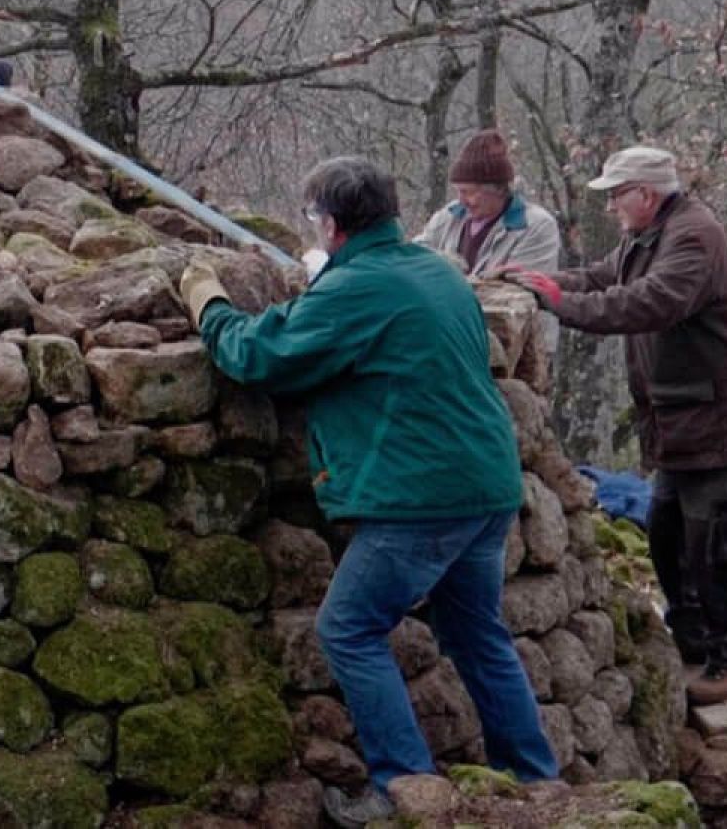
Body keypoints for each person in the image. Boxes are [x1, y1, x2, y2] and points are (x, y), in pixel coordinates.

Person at [180, 156, 556, 827]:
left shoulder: (355, 290)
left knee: (347, 628)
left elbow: (258, 358)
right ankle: (533, 778)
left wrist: (208, 303)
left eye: (313, 217)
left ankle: (403, 789)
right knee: (476, 635)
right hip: (487, 483)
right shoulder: (435, 269)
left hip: (420, 496)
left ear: (330, 223)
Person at [502, 145, 727, 707]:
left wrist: (559, 303)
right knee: (669, 535)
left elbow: (647, 303)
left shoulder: (693, 237)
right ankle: (695, 644)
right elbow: (608, 275)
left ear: (646, 195)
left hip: (723, 420)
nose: (610, 208)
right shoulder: (653, 233)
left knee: (720, 545)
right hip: (686, 421)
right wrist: (546, 282)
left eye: (616, 195)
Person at [416, 128, 563, 354]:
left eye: (469, 192)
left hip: (520, 350)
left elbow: (516, 293)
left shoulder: (535, 226)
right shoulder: (448, 217)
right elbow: (414, 261)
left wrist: (443, 275)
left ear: (498, 190)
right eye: (459, 192)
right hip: (455, 341)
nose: (462, 200)